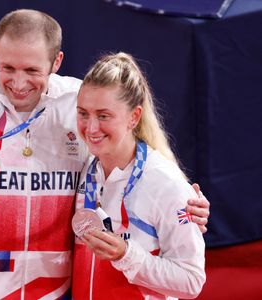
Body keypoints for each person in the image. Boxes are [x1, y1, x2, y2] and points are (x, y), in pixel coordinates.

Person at [0, 9, 209, 299]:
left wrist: (183, 205)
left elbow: (131, 149)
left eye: (32, 70)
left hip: (55, 292)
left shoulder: (77, 104)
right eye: (8, 68)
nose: (19, 82)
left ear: (56, 62)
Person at [72, 52, 206, 299]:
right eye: (83, 113)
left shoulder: (165, 183)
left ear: (134, 117)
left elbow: (191, 281)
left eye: (103, 116)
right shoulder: (86, 167)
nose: (90, 128)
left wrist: (127, 255)